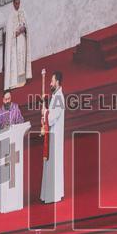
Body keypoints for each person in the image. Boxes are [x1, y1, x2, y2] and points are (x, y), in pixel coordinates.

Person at [39, 71, 65, 204]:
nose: (50, 83)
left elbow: (53, 118)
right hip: (52, 137)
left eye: (52, 81)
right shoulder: (55, 96)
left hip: (55, 138)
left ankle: (53, 194)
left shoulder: (59, 97)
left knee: (53, 165)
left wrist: (45, 112)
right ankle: (48, 194)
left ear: (58, 82)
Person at [3, 0, 32, 90]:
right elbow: (9, 33)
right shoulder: (10, 16)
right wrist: (16, 32)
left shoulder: (23, 12)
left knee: (22, 58)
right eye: (16, 3)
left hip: (22, 40)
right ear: (13, 3)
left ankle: (23, 79)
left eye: (19, 3)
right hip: (15, 43)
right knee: (17, 61)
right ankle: (16, 81)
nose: (17, 5)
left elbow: (27, 26)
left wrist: (24, 28)